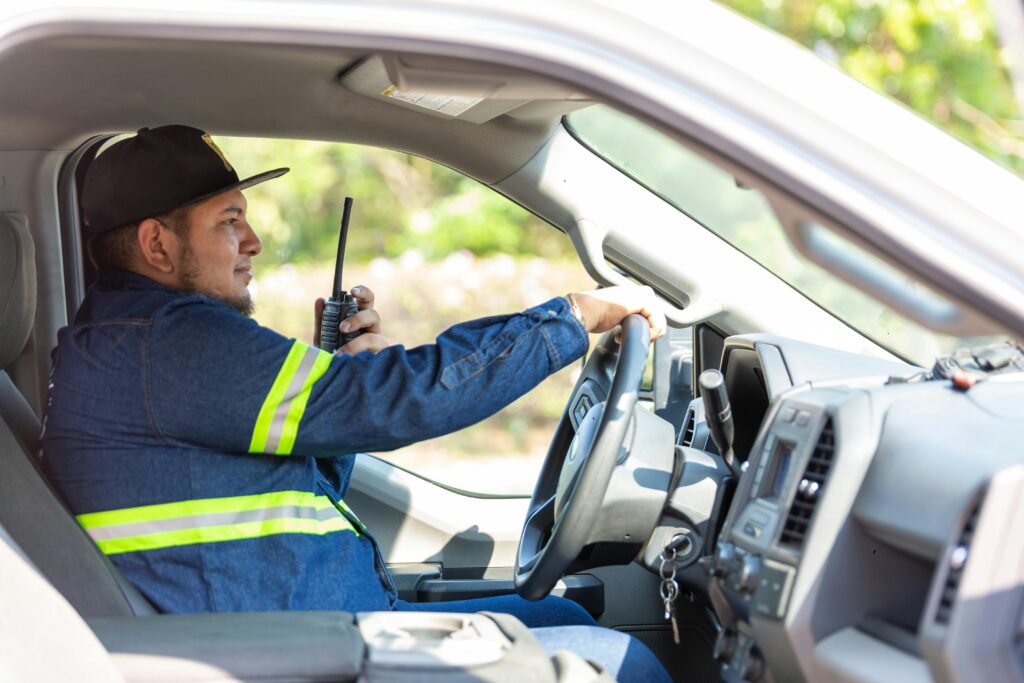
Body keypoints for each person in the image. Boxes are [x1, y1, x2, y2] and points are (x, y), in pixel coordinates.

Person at [41, 125, 672, 683]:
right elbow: (403, 399)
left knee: (558, 614)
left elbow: (308, 481)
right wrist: (570, 318)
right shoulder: (172, 344)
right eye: (229, 221)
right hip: (299, 654)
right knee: (619, 664)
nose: (254, 240)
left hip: (320, 628)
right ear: (157, 245)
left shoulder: (132, 341)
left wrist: (339, 379)